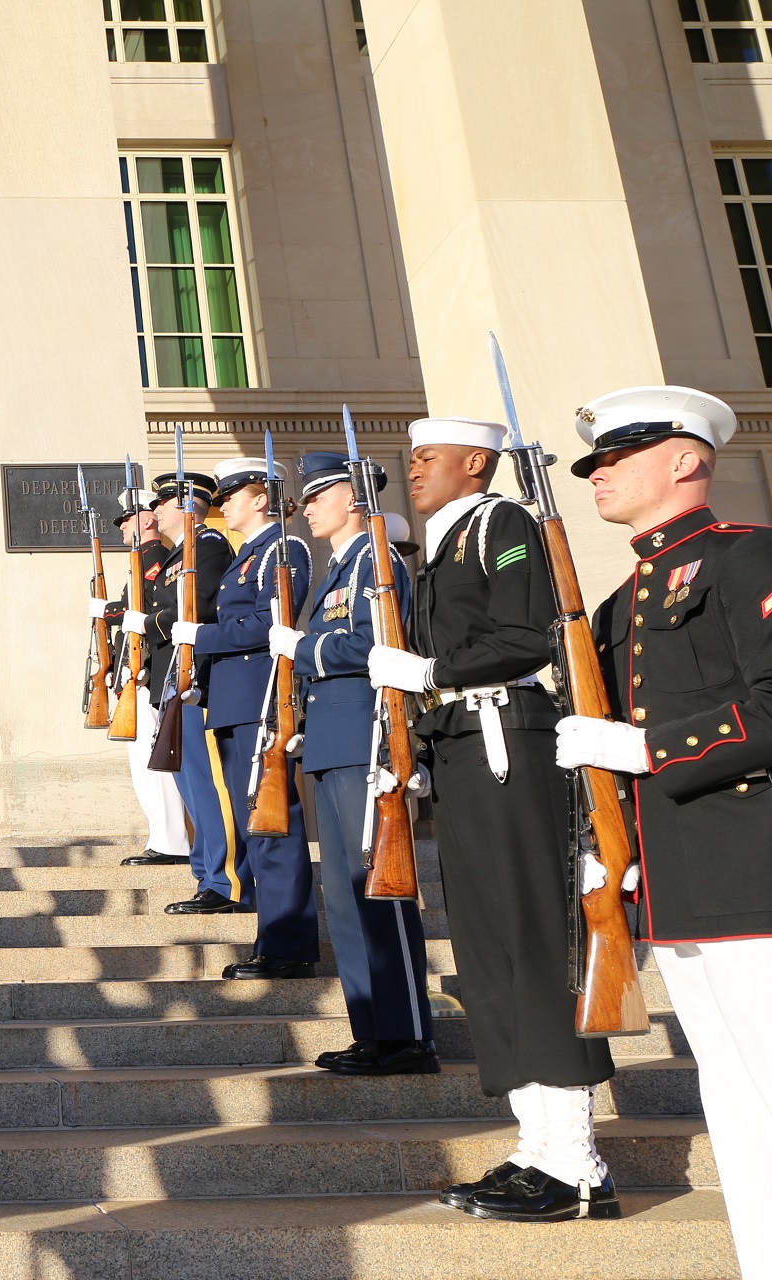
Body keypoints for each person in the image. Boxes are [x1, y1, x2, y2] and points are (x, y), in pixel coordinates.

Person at [368, 416, 617, 1223]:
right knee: (488, 952)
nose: (413, 471)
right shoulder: (440, 544)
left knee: (535, 944)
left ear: (475, 462)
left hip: (510, 740)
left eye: (427, 458)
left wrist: (430, 670)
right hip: (463, 749)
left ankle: (578, 1164)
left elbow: (523, 633)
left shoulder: (498, 523)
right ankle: (533, 1148)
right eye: (411, 460)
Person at [560, 385, 771, 1270]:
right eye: (596, 461)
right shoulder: (613, 606)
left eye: (618, 456)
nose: (598, 474)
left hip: (751, 866)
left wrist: (648, 748)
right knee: (731, 1091)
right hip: (677, 881)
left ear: (686, 459)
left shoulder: (744, 560)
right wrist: (611, 851)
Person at [270, 452, 434, 1072]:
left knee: (379, 891)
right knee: (342, 897)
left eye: (317, 495)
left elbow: (375, 644)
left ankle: (408, 1036)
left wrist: (303, 647)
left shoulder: (376, 559)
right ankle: (373, 1029)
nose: (307, 508)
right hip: (334, 745)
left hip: (366, 743)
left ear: (350, 495)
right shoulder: (336, 566)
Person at [174, 457, 316, 979]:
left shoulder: (284, 549)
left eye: (232, 493)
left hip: (260, 701)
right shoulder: (246, 555)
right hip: (234, 702)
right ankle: (274, 939)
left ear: (261, 498)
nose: (223, 503)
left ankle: (289, 947)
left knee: (272, 822)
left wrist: (201, 637)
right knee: (255, 826)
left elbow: (267, 623)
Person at [123, 472, 239, 911]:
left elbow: (197, 605)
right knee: (188, 784)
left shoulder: (207, 547)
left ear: (189, 507)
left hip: (198, 681)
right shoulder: (178, 556)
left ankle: (224, 882)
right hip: (172, 680)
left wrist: (148, 624)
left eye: (165, 502)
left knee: (207, 786)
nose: (155, 511)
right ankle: (205, 874)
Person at [92, 487, 190, 868]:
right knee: (143, 764)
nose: (121, 529)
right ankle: (162, 836)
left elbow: (147, 608)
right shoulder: (144, 558)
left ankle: (173, 841)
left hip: (147, 674)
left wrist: (109, 610)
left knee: (155, 762)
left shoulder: (156, 558)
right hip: (134, 674)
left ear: (147, 519)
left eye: (127, 520)